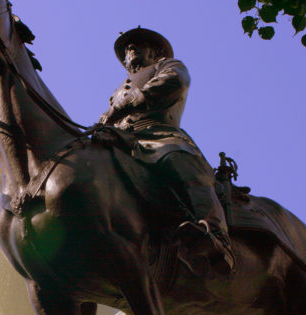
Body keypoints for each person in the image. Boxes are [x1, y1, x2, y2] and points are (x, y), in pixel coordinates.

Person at [99, 27, 234, 276]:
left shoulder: (168, 65)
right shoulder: (119, 88)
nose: (131, 50)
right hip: (121, 142)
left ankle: (215, 236)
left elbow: (176, 81)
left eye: (137, 45)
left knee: (180, 161)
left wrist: (133, 100)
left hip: (158, 134)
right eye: (128, 48)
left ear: (155, 51)